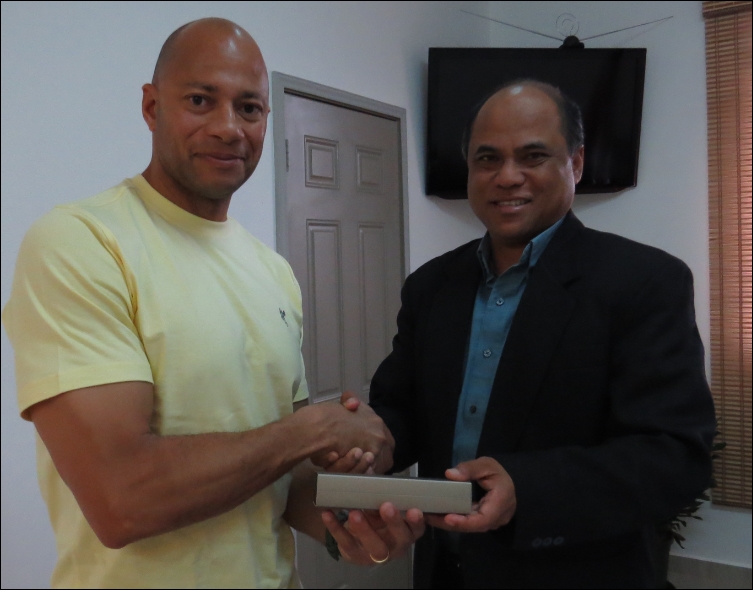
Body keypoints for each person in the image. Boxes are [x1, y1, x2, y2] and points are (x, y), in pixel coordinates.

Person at [2, 18, 423, 589]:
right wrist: (311, 430)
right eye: (201, 101)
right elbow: (121, 499)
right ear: (152, 108)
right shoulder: (81, 243)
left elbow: (284, 481)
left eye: (249, 108)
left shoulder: (273, 273)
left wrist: (353, 526)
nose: (228, 128)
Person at [369, 80, 717, 589]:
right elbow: (403, 409)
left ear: (575, 163)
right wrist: (369, 441)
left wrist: (526, 489)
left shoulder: (644, 282)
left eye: (532, 156)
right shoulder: (431, 286)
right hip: (447, 573)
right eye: (487, 159)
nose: (507, 176)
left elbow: (675, 457)